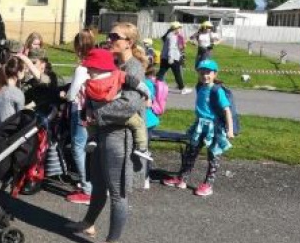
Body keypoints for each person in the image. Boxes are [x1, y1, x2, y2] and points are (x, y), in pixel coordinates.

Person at [66, 22, 147, 243]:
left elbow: (129, 105)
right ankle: (89, 223)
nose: (109, 39)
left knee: (117, 191)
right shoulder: (112, 63)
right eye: (109, 35)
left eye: (115, 36)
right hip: (102, 132)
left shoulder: (134, 68)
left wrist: (95, 113)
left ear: (129, 42)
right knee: (98, 183)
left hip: (119, 136)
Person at [162, 59, 234, 197]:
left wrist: (230, 130)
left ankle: (208, 184)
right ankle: (182, 178)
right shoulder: (200, 87)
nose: (204, 76)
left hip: (214, 128)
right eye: (202, 73)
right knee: (190, 152)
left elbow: (227, 110)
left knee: (213, 156)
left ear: (215, 74)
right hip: (200, 126)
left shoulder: (217, 90)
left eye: (208, 73)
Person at [82, 47, 152, 162]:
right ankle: (141, 147)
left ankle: (92, 139)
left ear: (96, 68)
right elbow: (137, 84)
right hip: (120, 115)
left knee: (90, 123)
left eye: (89, 68)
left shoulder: (89, 84)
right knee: (139, 124)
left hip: (98, 118)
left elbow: (88, 99)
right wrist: (147, 93)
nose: (87, 71)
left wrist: (89, 111)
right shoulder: (118, 75)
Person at [64, 30, 95, 205]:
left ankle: (87, 189)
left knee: (78, 148)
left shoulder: (82, 68)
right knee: (89, 148)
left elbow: (72, 94)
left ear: (78, 46)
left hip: (80, 110)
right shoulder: (96, 66)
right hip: (93, 111)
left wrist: (65, 94)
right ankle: (91, 184)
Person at [0, 56, 26, 134]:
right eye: (24, 70)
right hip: (6, 134)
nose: (25, 72)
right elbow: (20, 118)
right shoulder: (17, 93)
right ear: (18, 73)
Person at [157, 22, 191, 94]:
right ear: (175, 28)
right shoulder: (172, 36)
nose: (180, 29)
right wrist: (170, 57)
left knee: (161, 73)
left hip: (165, 57)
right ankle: (182, 89)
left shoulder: (169, 35)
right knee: (177, 74)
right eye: (179, 28)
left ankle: (156, 86)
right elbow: (171, 48)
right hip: (172, 58)